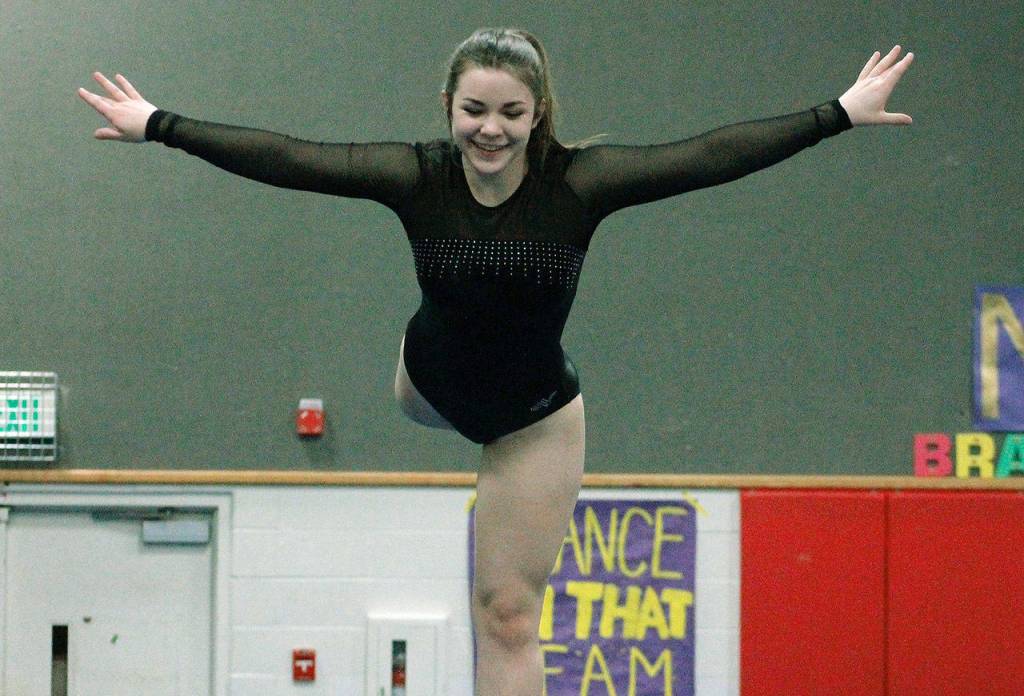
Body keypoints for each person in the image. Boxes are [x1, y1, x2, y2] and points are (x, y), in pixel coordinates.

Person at [78, 27, 913, 695]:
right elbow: (293, 157)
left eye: (512, 112)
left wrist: (839, 110)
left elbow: (706, 157)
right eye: (475, 108)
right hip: (428, 384)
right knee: (429, 376)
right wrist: (160, 124)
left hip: (534, 416)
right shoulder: (417, 177)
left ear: (538, 113)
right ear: (448, 105)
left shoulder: (579, 185)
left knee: (509, 614)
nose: (490, 129)